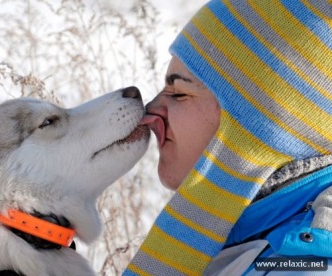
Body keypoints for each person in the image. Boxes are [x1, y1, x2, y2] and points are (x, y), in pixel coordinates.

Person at [125, 0, 332, 275]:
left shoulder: (304, 267)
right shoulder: (248, 240)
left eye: (179, 93)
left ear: (261, 123)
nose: (149, 113)